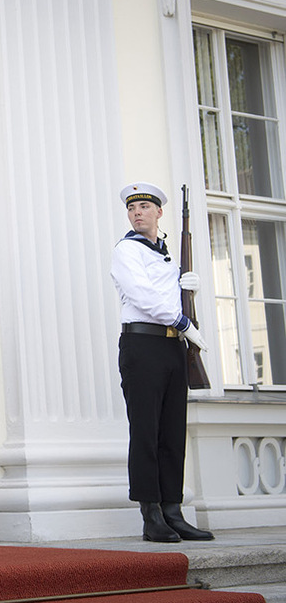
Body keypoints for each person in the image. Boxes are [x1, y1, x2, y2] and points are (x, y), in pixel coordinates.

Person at [110, 182, 215, 543]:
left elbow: (168, 299)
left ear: (158, 213)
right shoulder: (127, 250)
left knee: (172, 432)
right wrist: (184, 322)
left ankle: (173, 510)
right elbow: (142, 297)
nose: (137, 212)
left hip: (172, 347)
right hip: (142, 345)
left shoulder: (166, 254)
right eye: (132, 207)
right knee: (145, 431)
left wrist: (187, 290)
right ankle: (150, 514)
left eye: (144, 207)